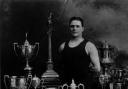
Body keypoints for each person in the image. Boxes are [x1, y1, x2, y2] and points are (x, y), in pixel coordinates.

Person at [58, 16, 101, 89]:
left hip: (84, 86)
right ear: (69, 28)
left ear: (82, 29)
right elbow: (60, 68)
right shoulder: (62, 47)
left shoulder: (89, 46)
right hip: (66, 85)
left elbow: (97, 68)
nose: (74, 29)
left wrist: (88, 67)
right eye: (72, 26)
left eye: (77, 26)